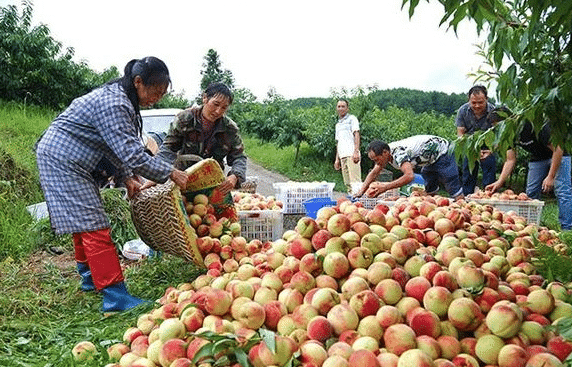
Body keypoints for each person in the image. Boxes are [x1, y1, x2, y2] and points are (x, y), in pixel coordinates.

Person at [35, 57, 189, 313]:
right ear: (138, 82)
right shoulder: (115, 103)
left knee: (83, 223)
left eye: (162, 94)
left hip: (73, 159)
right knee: (94, 226)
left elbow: (116, 146)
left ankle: (90, 280)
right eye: (155, 91)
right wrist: (171, 173)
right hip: (64, 159)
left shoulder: (124, 99)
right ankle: (115, 297)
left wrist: (127, 176)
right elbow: (132, 154)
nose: (157, 98)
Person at [485, 108, 572, 230]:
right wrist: (500, 181)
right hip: (538, 157)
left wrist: (551, 176)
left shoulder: (530, 124)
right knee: (530, 193)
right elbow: (510, 159)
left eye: (500, 126)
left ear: (510, 120)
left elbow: (558, 148)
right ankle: (530, 227)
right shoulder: (507, 134)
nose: (500, 130)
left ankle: (567, 229)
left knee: (563, 191)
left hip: (560, 154)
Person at [154, 82, 247, 195]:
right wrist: (155, 174)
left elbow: (239, 156)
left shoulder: (229, 128)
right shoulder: (184, 119)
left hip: (212, 184)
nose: (218, 111)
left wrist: (235, 176)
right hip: (182, 182)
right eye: (215, 104)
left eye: (224, 108)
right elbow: (168, 150)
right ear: (205, 98)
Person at [356, 135, 464, 200]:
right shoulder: (386, 154)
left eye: (376, 159)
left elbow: (409, 176)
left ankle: (463, 208)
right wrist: (361, 192)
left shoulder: (398, 154)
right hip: (429, 159)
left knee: (450, 182)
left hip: (443, 151)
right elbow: (374, 173)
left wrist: (385, 187)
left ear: (385, 152)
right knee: (429, 183)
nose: (376, 163)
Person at [456, 85, 497, 195]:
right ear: (469, 100)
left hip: (488, 146)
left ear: (486, 99)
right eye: (473, 103)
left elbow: (499, 135)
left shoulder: (493, 111)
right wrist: (472, 150)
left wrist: (491, 150)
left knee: (489, 174)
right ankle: (467, 201)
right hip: (469, 145)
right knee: (468, 175)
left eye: (480, 102)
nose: (477, 106)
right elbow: (460, 133)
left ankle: (489, 199)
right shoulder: (463, 111)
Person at [334, 99, 362, 193]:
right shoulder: (338, 124)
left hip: (351, 154)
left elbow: (356, 134)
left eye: (343, 106)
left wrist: (356, 151)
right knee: (347, 183)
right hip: (342, 155)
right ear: (336, 108)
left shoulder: (352, 119)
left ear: (347, 108)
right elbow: (338, 142)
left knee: (355, 182)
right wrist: (337, 159)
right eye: (339, 106)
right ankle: (351, 202)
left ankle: (359, 203)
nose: (341, 108)